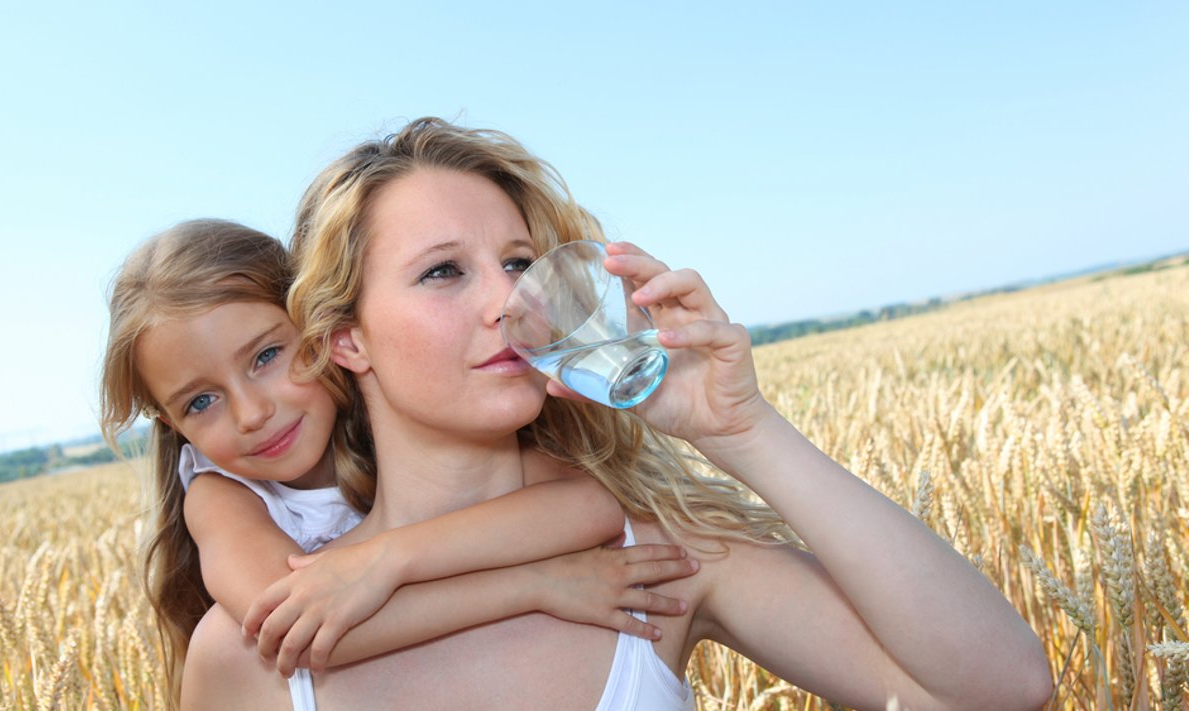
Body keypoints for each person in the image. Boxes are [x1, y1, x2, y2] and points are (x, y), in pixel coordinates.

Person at [194, 118, 1054, 711]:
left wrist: (742, 429)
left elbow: (1002, 689)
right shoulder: (255, 647)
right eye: (444, 272)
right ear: (347, 341)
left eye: (521, 260)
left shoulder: (656, 562)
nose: (511, 300)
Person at [98, 219, 699, 709]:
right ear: (173, 426)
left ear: (325, 326)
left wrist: (381, 559)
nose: (251, 412)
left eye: (266, 356)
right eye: (200, 401)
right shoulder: (218, 494)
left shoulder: (399, 426)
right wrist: (532, 585)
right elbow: (299, 626)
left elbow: (585, 507)